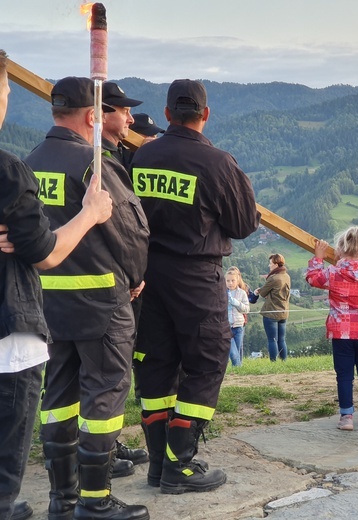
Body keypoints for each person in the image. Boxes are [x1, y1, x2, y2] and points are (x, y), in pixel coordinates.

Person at [25, 76, 150, 520]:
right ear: (93, 115)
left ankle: (63, 500)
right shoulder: (92, 164)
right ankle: (97, 502)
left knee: (56, 395)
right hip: (101, 304)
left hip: (48, 308)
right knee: (104, 395)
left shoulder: (29, 162)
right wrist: (136, 277)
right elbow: (130, 230)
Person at [131, 79, 260, 494]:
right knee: (206, 361)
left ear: (167, 114)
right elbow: (242, 225)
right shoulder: (218, 163)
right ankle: (180, 465)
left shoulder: (142, 155)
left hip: (147, 275)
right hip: (195, 276)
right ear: (205, 115)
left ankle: (157, 464)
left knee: (155, 364)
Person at [0, 51, 113, 520]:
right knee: (7, 451)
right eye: (6, 88)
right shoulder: (8, 171)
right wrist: (91, 214)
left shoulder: (27, 160)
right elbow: (44, 251)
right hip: (12, 328)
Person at [101, 80, 151, 475]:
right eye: (123, 111)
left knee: (89, 379)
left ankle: (105, 446)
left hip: (78, 290)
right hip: (108, 289)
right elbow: (128, 229)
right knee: (106, 378)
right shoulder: (103, 163)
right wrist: (136, 275)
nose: (130, 120)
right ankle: (101, 457)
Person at [306, 227, 358, 430]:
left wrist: (318, 257)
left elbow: (313, 279)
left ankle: (346, 417)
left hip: (341, 331)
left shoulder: (333, 272)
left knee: (344, 376)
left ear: (340, 249)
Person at [254, 254, 291, 361]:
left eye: (270, 263)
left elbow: (263, 292)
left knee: (272, 340)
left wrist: (258, 291)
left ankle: (273, 362)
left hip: (271, 313)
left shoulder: (274, 278)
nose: (269, 265)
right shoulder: (287, 276)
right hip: (284, 312)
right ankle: (284, 361)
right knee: (282, 339)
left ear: (275, 264)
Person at [101, 81, 143, 169]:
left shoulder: (123, 153)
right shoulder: (95, 157)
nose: (131, 120)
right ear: (103, 115)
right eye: (125, 112)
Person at [226, 266, 249, 366]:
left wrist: (235, 302)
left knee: (238, 352)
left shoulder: (242, 293)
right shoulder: (222, 293)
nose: (230, 283)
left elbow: (246, 309)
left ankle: (238, 374)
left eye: (232, 280)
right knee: (233, 354)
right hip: (226, 327)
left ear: (237, 280)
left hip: (239, 326)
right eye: (228, 281)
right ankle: (236, 370)